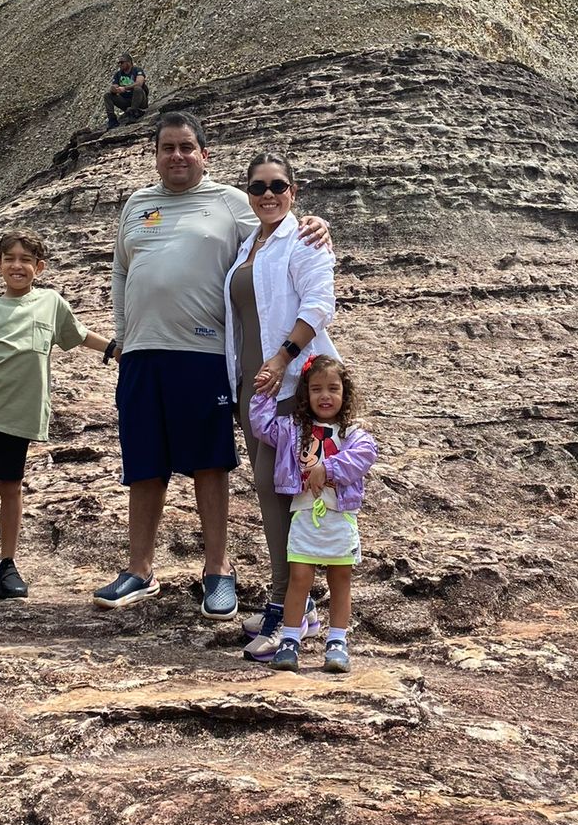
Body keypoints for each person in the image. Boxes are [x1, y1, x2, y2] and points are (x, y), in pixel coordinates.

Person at [93, 111, 329, 619]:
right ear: (155, 155)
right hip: (142, 353)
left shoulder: (229, 202)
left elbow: (278, 225)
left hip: (202, 354)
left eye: (186, 147)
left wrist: (315, 223)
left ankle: (218, 570)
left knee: (208, 461)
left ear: (204, 153)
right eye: (167, 148)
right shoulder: (137, 203)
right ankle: (139, 569)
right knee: (145, 462)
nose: (176, 156)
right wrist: (123, 335)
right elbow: (120, 270)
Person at [0, 228, 112, 600]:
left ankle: (7, 563)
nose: (17, 266)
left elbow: (79, 335)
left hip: (17, 415)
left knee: (10, 486)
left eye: (25, 260)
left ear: (40, 266)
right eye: (10, 259)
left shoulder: (50, 302)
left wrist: (115, 350)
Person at [223, 152, 338, 660]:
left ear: (293, 189)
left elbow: (319, 304)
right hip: (253, 386)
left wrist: (282, 356)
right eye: (257, 187)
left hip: (289, 386)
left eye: (277, 186)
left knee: (287, 495)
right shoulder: (249, 243)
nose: (267, 195)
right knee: (269, 495)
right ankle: (291, 600)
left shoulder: (305, 238)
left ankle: (291, 608)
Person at [250, 355, 377, 674]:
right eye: (317, 389)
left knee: (341, 579)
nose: (325, 396)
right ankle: (290, 640)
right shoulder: (294, 429)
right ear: (305, 394)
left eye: (333, 389)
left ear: (345, 394)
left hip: (340, 518)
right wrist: (263, 393)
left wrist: (328, 468)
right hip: (304, 516)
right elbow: (261, 426)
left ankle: (337, 642)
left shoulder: (352, 432)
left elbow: (365, 455)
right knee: (300, 578)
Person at [102, 55, 148, 129]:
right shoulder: (118, 74)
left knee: (137, 89)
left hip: (139, 101)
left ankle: (134, 112)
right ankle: (112, 119)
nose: (120, 64)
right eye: (119, 63)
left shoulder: (137, 70)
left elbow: (139, 83)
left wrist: (125, 88)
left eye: (122, 62)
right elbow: (115, 86)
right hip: (126, 101)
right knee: (107, 95)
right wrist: (114, 89)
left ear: (129, 62)